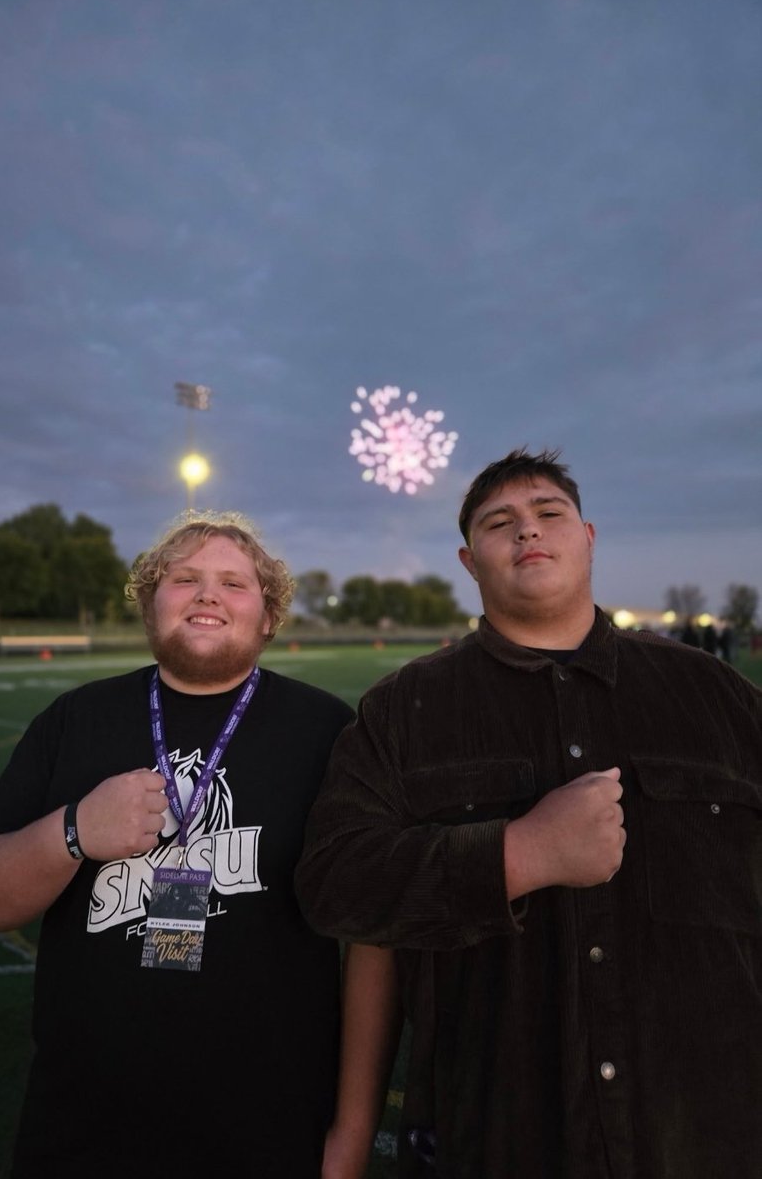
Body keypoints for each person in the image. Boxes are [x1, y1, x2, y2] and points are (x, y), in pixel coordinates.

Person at [296, 448, 762, 1179]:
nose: (528, 531)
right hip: (497, 1136)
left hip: (710, 1130)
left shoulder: (719, 696)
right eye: (499, 522)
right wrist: (517, 854)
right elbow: (336, 883)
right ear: (468, 559)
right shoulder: (402, 711)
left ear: (589, 537)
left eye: (549, 513)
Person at [0, 512, 397, 1179]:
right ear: (149, 602)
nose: (207, 594)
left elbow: (373, 938)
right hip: (83, 1131)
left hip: (270, 1129)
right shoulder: (74, 719)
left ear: (269, 616)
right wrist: (74, 831)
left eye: (234, 583)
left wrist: (354, 1131)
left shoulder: (328, 732)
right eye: (184, 578)